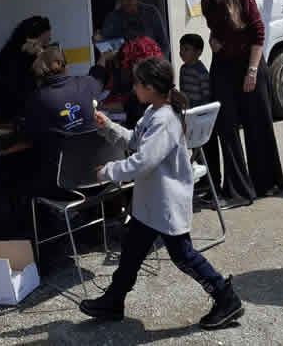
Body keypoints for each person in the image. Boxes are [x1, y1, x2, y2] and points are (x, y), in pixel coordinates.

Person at [79, 57, 243, 329]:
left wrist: (107, 172)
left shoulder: (165, 119)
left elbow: (143, 161)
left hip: (165, 203)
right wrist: (107, 126)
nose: (133, 88)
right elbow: (134, 141)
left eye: (137, 84)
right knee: (131, 253)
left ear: (151, 87)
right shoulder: (152, 112)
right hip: (150, 203)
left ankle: (225, 297)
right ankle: (113, 301)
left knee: (183, 255)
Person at [197, 0, 283, 206]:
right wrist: (213, 40)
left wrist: (252, 72)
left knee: (257, 122)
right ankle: (237, 190)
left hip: (249, 61)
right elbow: (218, 30)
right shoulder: (207, 2)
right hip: (223, 65)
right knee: (226, 124)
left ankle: (265, 182)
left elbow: (258, 33)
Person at [23, 45, 113, 196]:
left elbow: (30, 135)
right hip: (103, 181)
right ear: (66, 66)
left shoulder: (36, 100)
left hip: (65, 187)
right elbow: (99, 74)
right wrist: (103, 58)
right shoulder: (87, 83)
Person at [178, 33, 222, 203]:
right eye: (181, 49)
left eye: (186, 49)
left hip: (202, 119)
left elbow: (206, 97)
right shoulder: (183, 69)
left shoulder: (201, 72)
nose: (182, 52)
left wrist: (199, 112)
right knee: (197, 152)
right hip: (189, 117)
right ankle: (203, 181)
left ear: (198, 52)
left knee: (209, 153)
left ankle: (214, 186)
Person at [0, 15, 52, 122]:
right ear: (29, 40)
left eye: (49, 41)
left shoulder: (36, 56)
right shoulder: (10, 58)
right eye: (43, 42)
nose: (46, 47)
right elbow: (22, 94)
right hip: (12, 115)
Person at [96, 0, 170, 58]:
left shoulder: (151, 13)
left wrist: (157, 63)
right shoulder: (113, 19)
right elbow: (105, 49)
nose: (124, 2)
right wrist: (99, 40)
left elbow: (165, 46)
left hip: (150, 62)